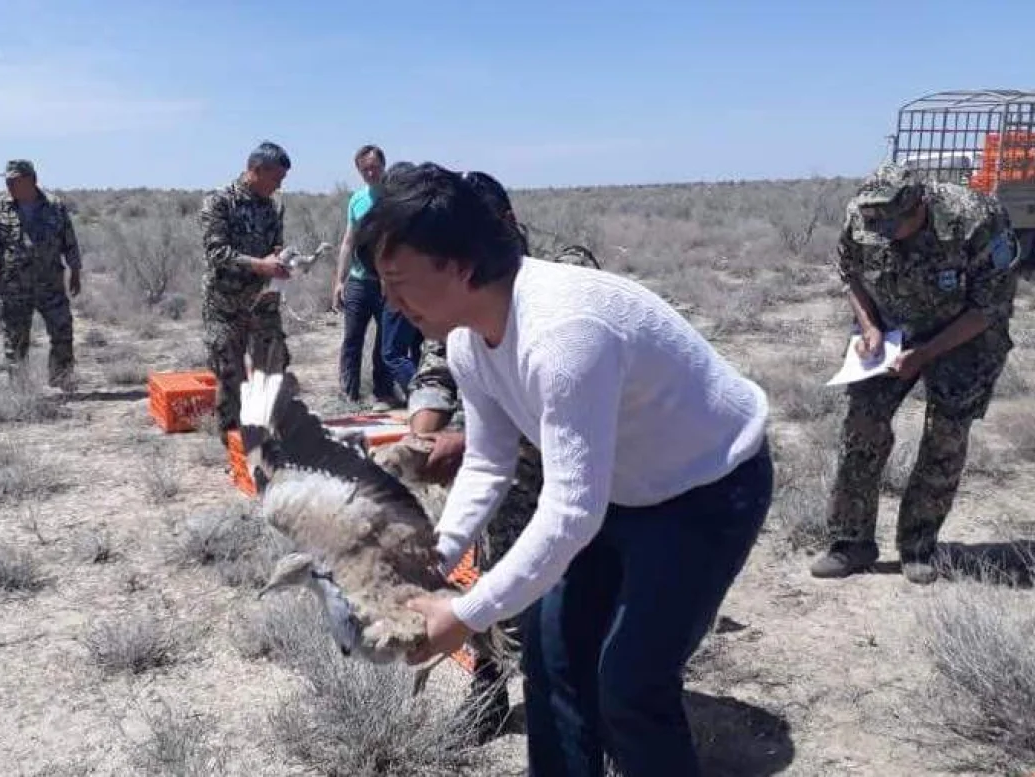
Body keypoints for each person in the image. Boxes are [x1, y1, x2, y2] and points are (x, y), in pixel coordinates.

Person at [354, 162, 774, 777]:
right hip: (620, 491)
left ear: (462, 265)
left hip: (706, 489)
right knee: (551, 660)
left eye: (398, 281)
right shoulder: (470, 339)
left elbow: (572, 511)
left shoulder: (564, 334)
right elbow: (491, 459)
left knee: (630, 683)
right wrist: (435, 559)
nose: (389, 302)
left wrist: (465, 614)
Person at [810, 161, 1022, 584]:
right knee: (861, 426)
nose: (883, 233)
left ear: (918, 208)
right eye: (876, 225)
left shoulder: (977, 220)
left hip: (965, 336)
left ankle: (918, 545)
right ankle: (851, 542)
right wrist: (869, 327)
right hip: (891, 330)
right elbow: (851, 273)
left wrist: (924, 355)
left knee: (945, 435)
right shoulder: (864, 215)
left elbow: (988, 308)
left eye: (893, 226)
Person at [199, 141, 293, 445]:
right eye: (275, 178)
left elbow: (274, 248)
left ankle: (268, 439)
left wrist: (282, 262)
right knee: (231, 378)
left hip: (263, 304)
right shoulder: (219, 202)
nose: (279, 185)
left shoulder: (272, 206)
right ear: (256, 170)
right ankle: (235, 448)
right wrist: (260, 266)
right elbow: (216, 252)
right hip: (225, 306)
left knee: (273, 371)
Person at [0, 159, 82, 391]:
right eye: (7, 181)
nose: (9, 185)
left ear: (31, 180)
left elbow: (69, 241)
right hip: (14, 287)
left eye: (14, 181)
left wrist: (75, 271)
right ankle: (20, 391)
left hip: (50, 284)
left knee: (63, 332)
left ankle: (61, 383)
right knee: (15, 341)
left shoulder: (55, 206)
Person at [333, 145, 397, 409]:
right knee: (352, 339)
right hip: (359, 281)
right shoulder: (357, 200)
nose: (371, 172)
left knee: (385, 340)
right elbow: (348, 241)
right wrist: (339, 281)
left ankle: (383, 393)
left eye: (375, 167)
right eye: (365, 169)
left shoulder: (395, 198)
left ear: (384, 166)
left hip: (388, 283)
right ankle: (349, 393)